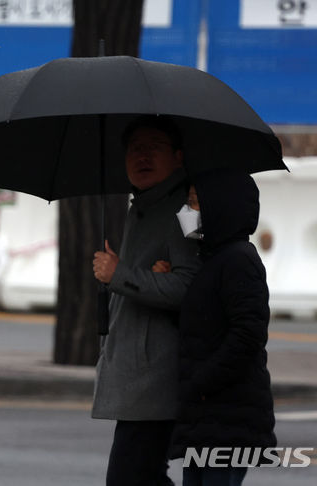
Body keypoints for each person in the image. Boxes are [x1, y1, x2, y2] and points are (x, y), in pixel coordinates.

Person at [91, 115, 201, 486]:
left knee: (130, 477)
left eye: (154, 147)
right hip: (138, 375)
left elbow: (189, 288)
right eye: (135, 149)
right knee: (140, 476)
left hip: (157, 376)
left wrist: (118, 273)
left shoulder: (185, 210)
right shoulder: (142, 208)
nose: (143, 156)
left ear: (179, 156)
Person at [166, 169, 276, 485]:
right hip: (208, 414)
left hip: (224, 411)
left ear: (222, 207)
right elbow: (201, 326)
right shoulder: (212, 259)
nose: (188, 212)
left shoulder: (238, 260)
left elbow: (248, 333)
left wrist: (202, 382)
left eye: (196, 202)